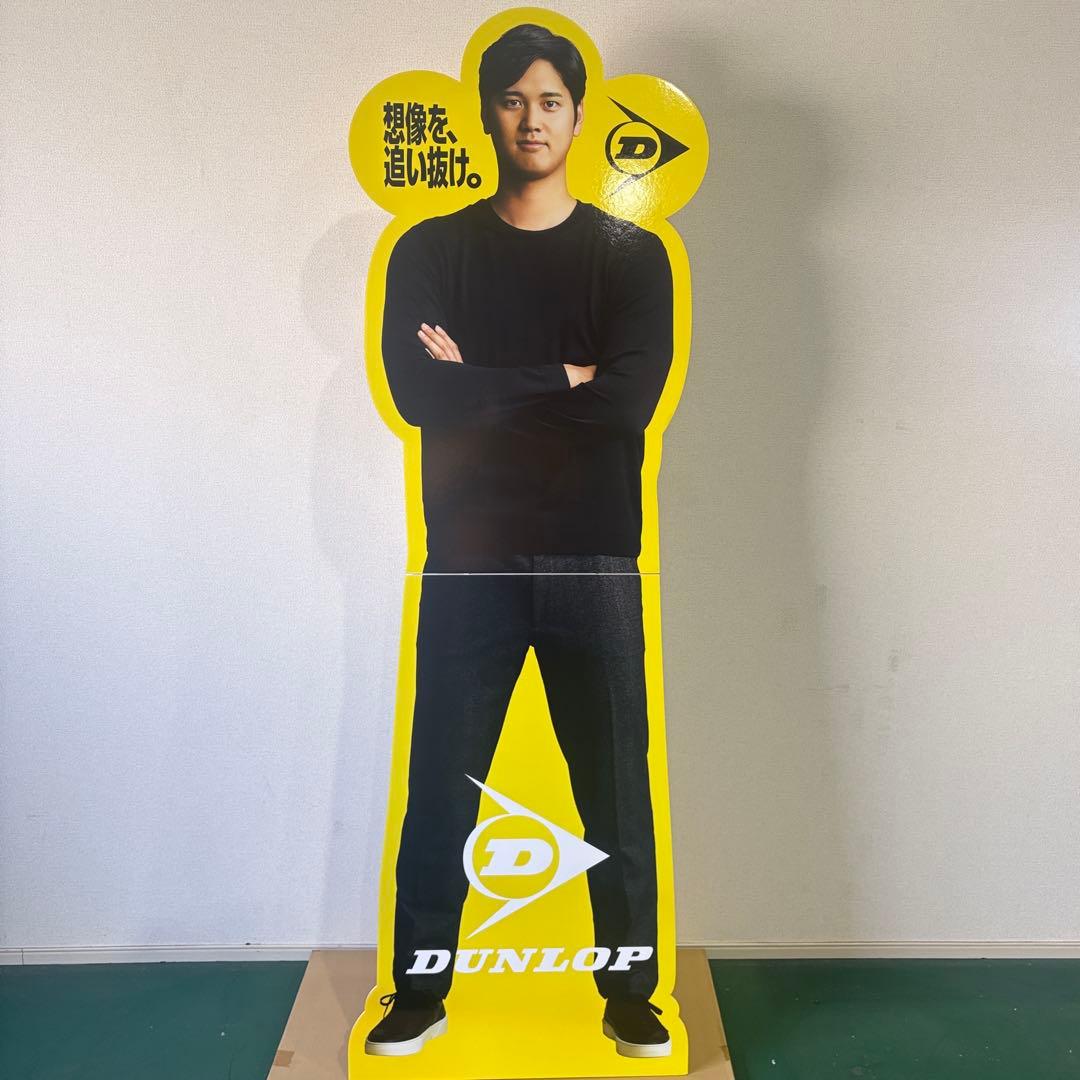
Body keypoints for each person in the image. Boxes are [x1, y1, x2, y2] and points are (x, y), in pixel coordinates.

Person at [364, 22, 675, 1060]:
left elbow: (627, 404)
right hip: (470, 553)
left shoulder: (630, 255)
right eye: (512, 99)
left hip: (596, 552)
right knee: (443, 781)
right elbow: (421, 396)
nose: (531, 119)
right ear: (487, 113)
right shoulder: (432, 250)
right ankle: (419, 991)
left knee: (614, 787)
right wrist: (561, 376)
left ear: (578, 117)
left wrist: (484, 386)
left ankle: (631, 994)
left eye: (550, 100)